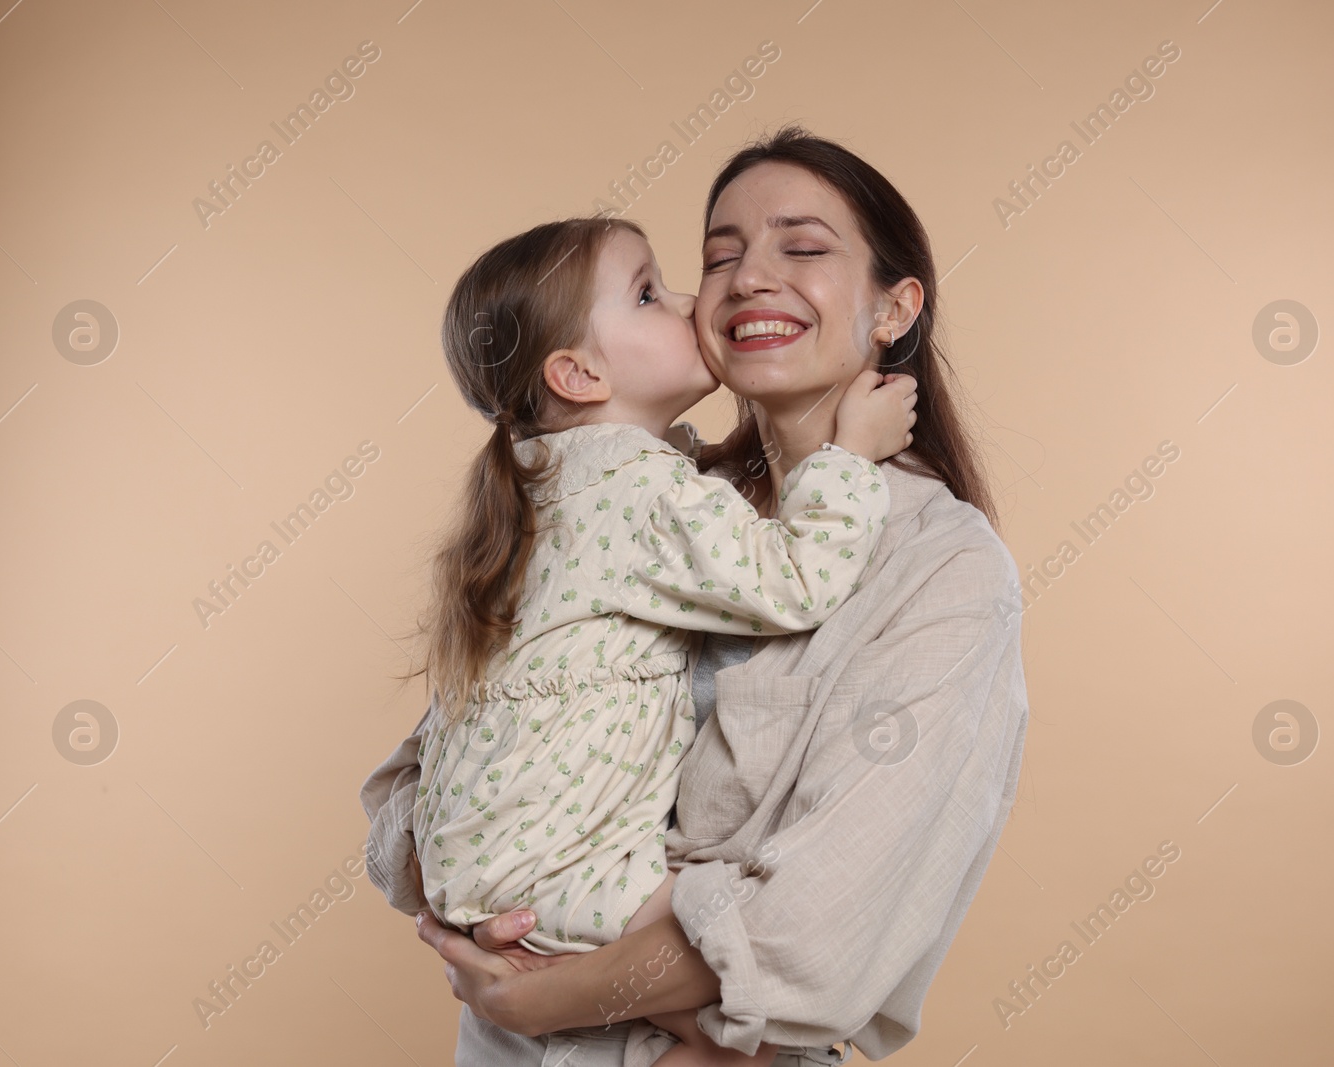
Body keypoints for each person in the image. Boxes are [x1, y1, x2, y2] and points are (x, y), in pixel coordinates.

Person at [364, 125, 1030, 1067]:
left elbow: (819, 938)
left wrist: (537, 992)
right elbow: (435, 772)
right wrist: (479, 915)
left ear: (893, 310)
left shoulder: (944, 569)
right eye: (720, 256)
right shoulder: (634, 499)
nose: (747, 277)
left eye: (802, 248)